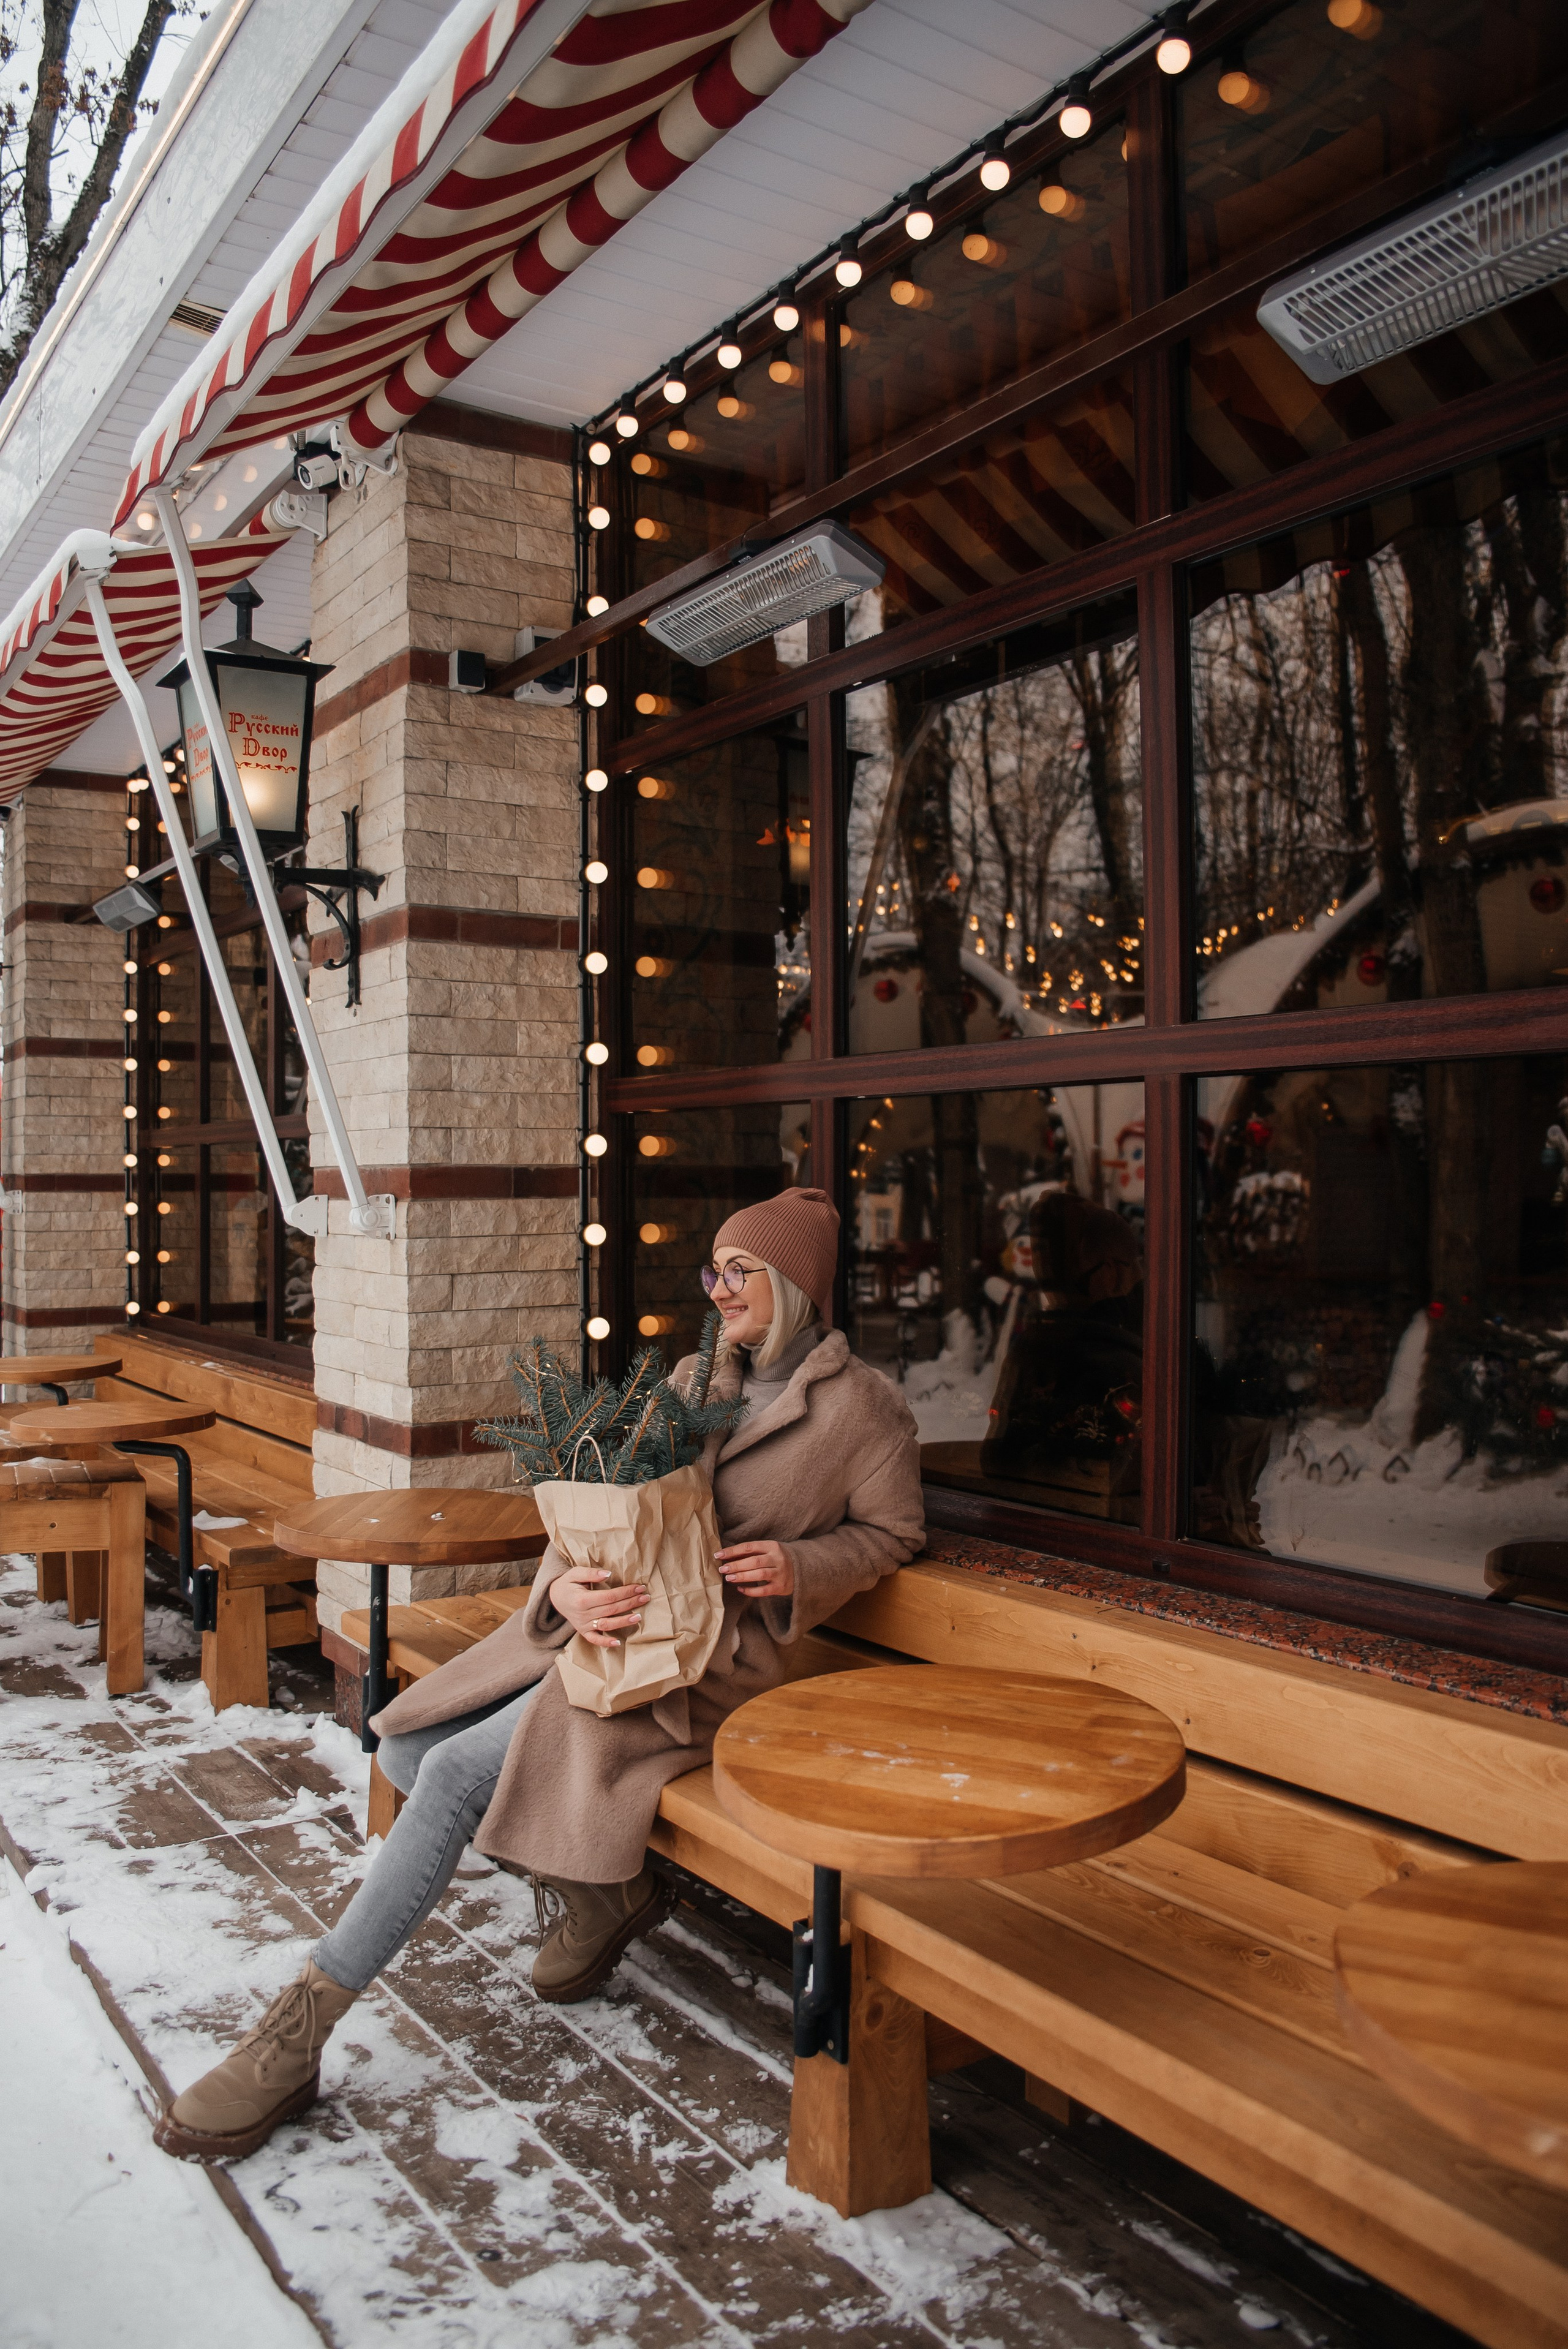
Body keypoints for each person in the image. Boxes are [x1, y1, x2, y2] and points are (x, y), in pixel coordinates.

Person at [156, 1186, 922, 2163]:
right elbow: (606, 1500)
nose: (720, 1290)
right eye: (715, 1272)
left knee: (452, 1774)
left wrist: (803, 1567)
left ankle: (300, 2027)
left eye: (741, 1272)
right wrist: (561, 1592)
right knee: (407, 1750)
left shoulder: (863, 1409)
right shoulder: (693, 1378)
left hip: (705, 1667)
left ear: (795, 1283)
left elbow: (893, 1535)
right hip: (608, 1630)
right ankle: (603, 1897)